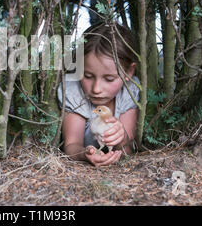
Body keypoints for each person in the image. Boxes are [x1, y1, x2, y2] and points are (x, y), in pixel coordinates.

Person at [57, 22, 140, 167]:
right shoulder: (74, 91)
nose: (96, 89)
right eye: (87, 76)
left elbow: (128, 148)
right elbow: (72, 144)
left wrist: (122, 139)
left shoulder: (129, 91)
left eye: (109, 79)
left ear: (129, 72)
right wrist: (85, 154)